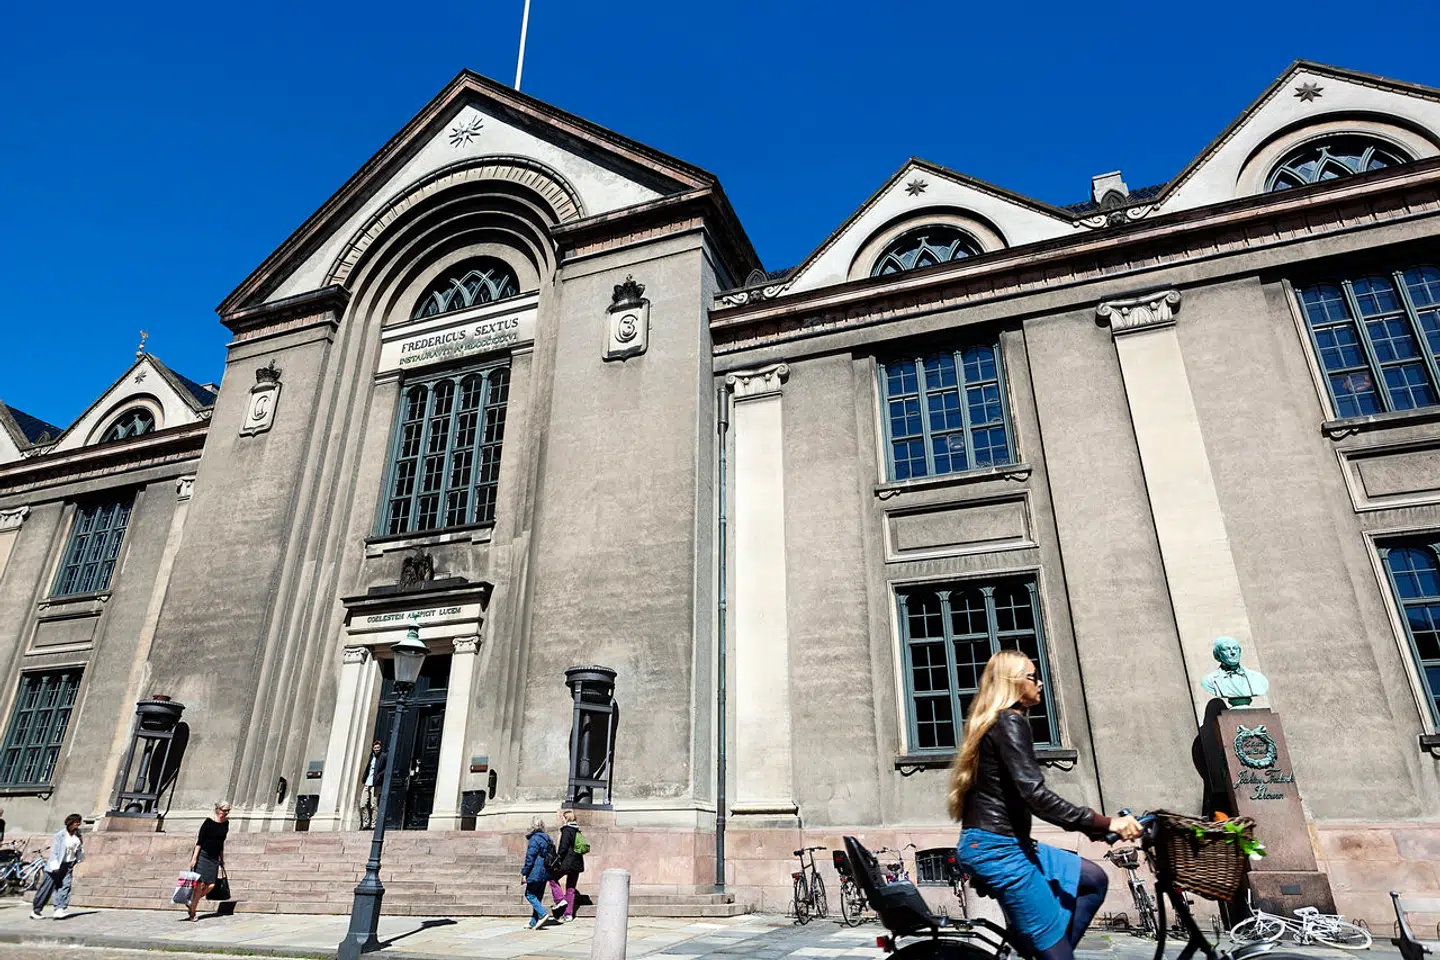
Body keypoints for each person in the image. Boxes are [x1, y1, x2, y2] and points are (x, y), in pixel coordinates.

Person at [950, 651, 1142, 960]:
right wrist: (1106, 823)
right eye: (1032, 676)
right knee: (1058, 955)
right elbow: (1036, 796)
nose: (1040, 683)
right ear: (1013, 683)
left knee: (1092, 880)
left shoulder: (998, 723)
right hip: (999, 850)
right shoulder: (1010, 722)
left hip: (1003, 842)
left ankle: (1047, 950)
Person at [30, 813, 84, 920]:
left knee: (65, 886)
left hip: (68, 864)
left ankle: (60, 909)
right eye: (76, 822)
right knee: (47, 888)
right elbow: (55, 852)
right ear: (70, 823)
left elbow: (78, 848)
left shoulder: (78, 835)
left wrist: (78, 858)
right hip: (56, 865)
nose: (78, 824)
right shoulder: (60, 835)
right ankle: (36, 910)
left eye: (79, 822)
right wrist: (55, 866)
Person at [184, 801, 230, 921]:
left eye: (228, 811)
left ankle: (192, 903)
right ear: (218, 810)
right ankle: (193, 912)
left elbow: (221, 843)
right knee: (200, 884)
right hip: (203, 855)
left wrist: (222, 859)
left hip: (214, 858)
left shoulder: (226, 823)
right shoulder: (208, 822)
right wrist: (194, 858)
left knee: (212, 885)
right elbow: (200, 841)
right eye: (224, 810)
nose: (226, 813)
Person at [548, 808, 585, 922]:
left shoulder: (567, 830)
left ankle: (559, 900)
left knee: (552, 878)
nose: (562, 820)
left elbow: (563, 847)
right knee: (571, 888)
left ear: (566, 818)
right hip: (577, 863)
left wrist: (558, 858)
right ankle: (568, 914)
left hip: (567, 862)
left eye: (563, 818)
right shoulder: (577, 830)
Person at [520, 816, 555, 930]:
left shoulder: (534, 839)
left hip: (536, 871)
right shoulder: (548, 839)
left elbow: (530, 858)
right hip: (546, 871)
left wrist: (525, 872)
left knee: (529, 894)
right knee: (538, 896)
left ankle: (543, 914)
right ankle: (533, 922)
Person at [358, 740, 386, 829]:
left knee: (373, 805)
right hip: (367, 783)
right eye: (375, 748)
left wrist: (378, 776)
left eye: (378, 748)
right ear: (373, 749)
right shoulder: (371, 756)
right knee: (362, 804)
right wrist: (364, 780)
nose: (376, 749)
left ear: (380, 748)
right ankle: (366, 823)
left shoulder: (383, 756)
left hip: (376, 784)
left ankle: (374, 824)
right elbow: (367, 769)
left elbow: (385, 769)